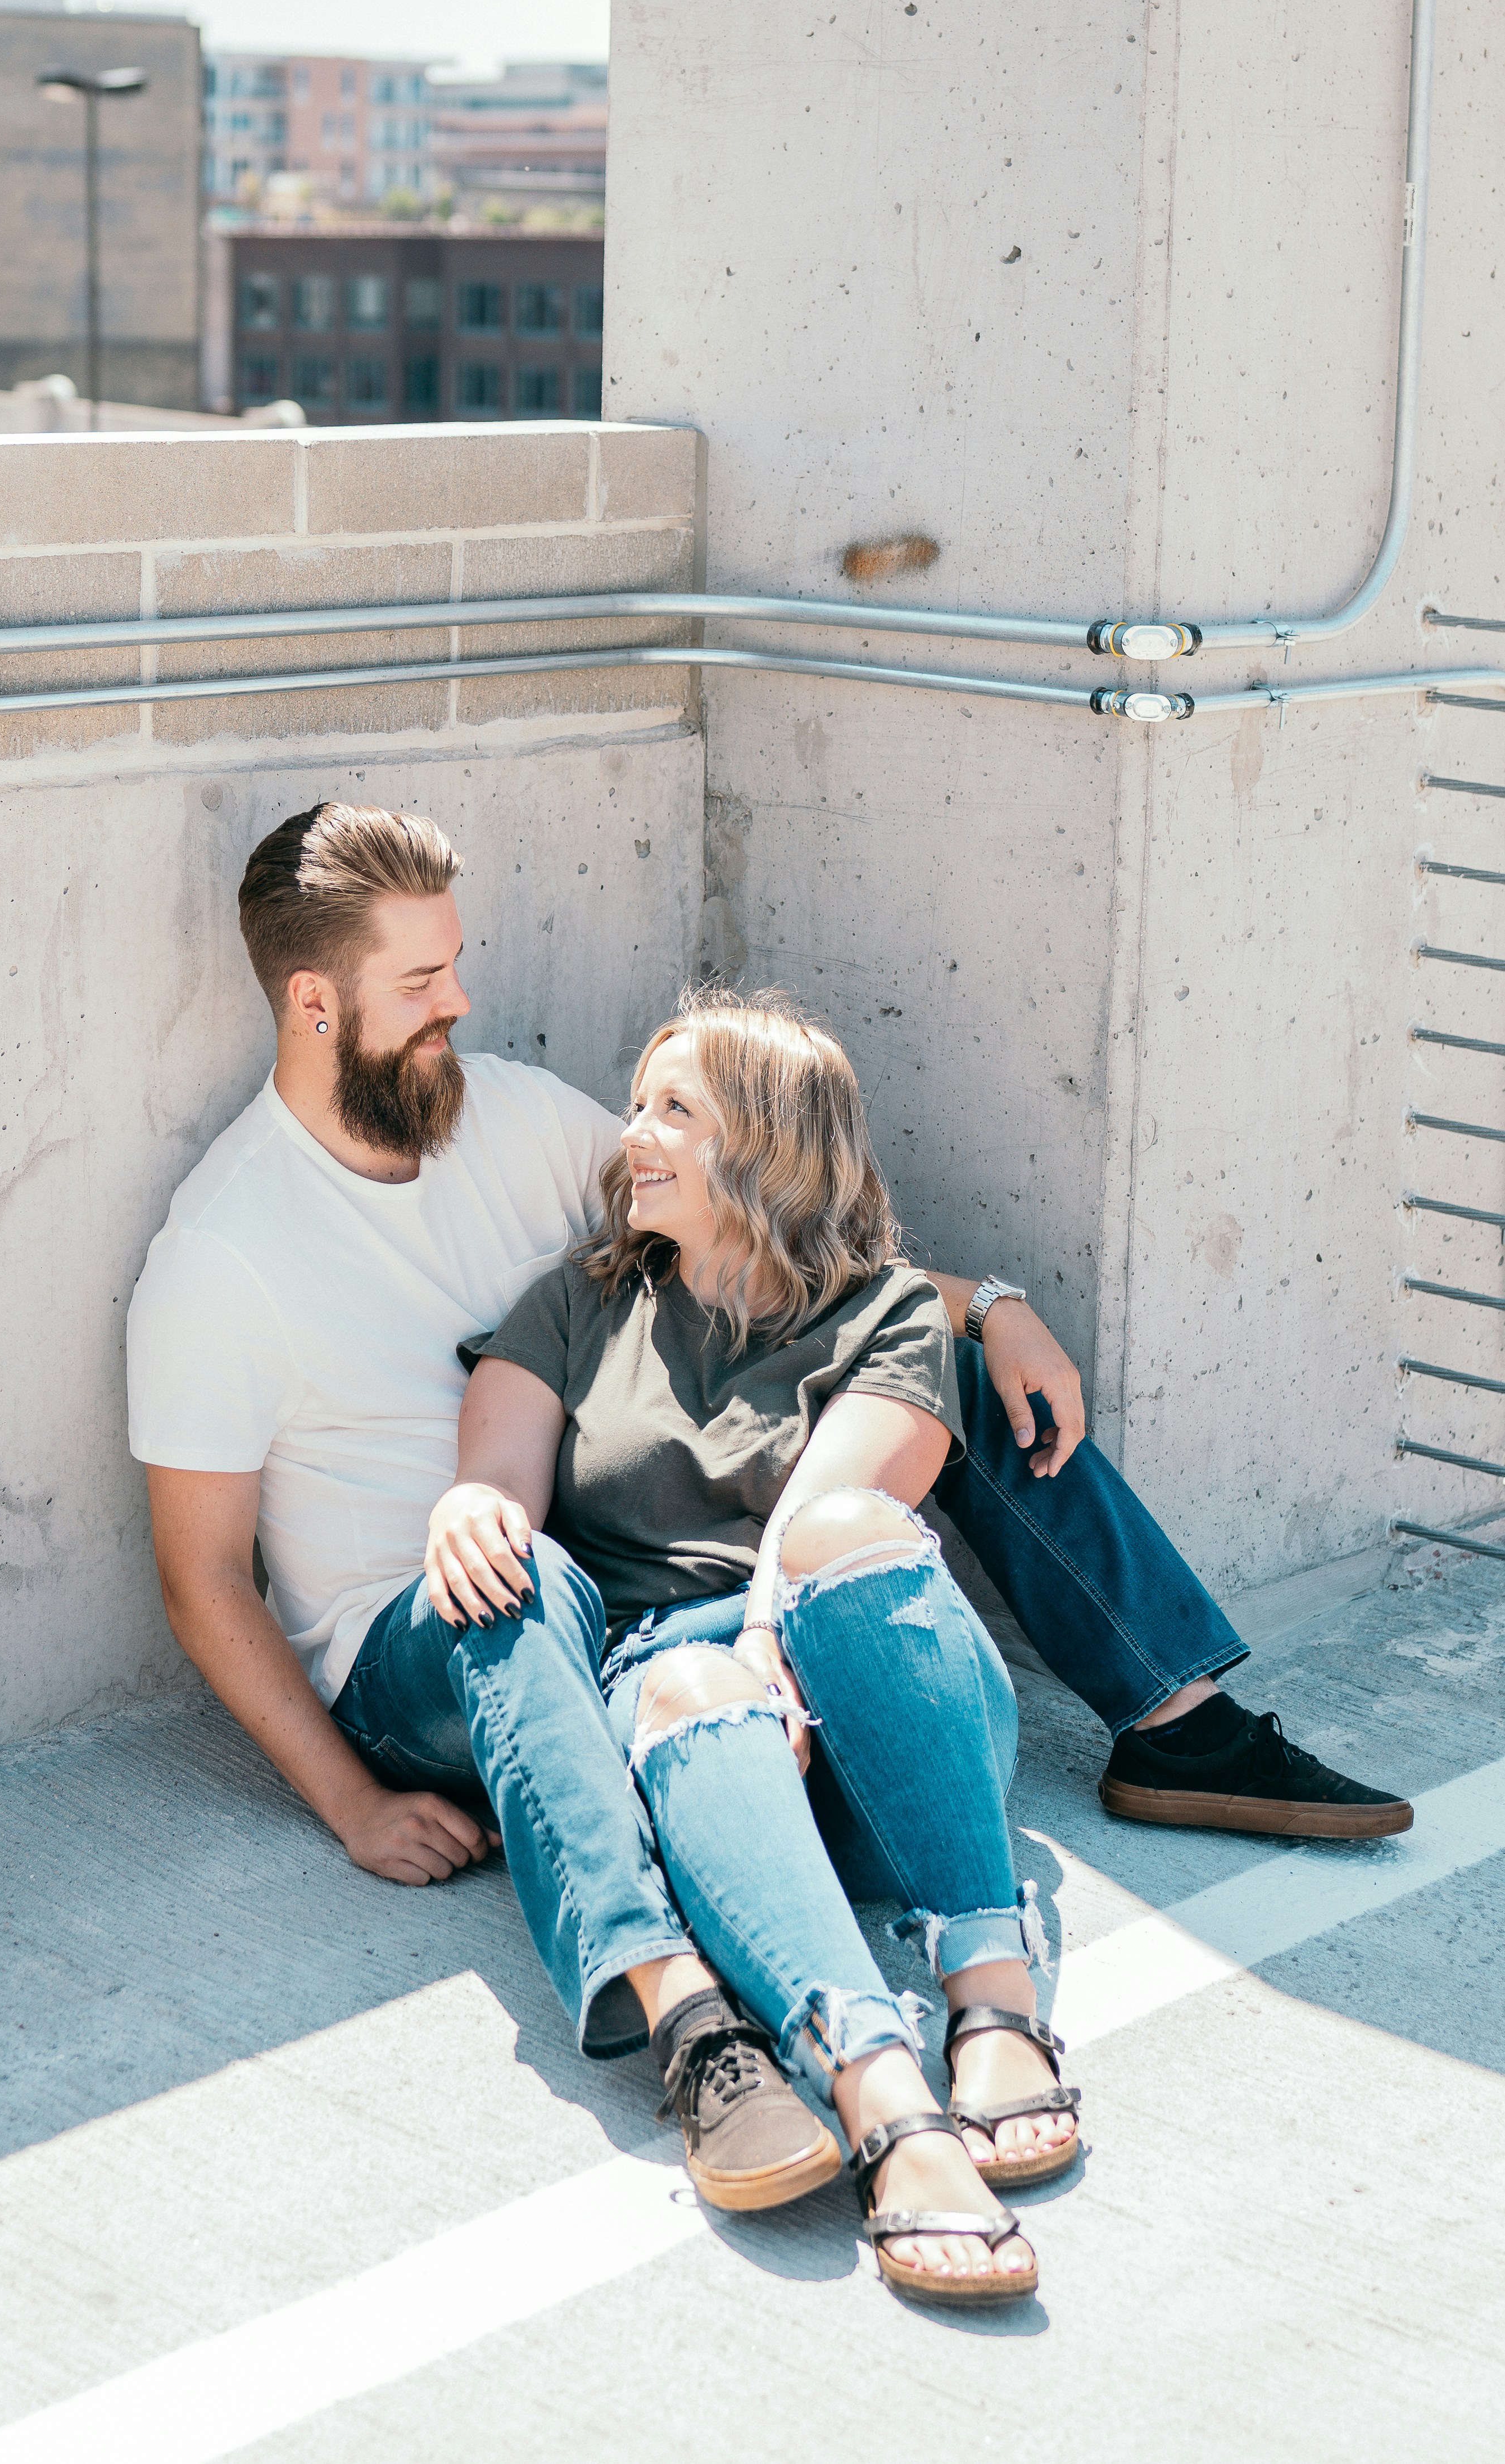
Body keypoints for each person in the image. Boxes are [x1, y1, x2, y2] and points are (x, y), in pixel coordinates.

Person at [127, 815, 1408, 2217]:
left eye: (456, 965)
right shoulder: (225, 1249)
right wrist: (354, 1803)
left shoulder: (508, 1116)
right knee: (525, 1580)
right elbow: (203, 1581)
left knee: (937, 1369)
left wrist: (988, 1305)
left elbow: (772, 1240)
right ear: (316, 1002)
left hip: (609, 1585)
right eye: (422, 982)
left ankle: (1170, 1722)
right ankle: (693, 2017)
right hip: (428, 1632)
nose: (461, 1004)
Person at [433, 986, 1075, 2301]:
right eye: (635, 1105)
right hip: (696, 1735)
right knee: (686, 1673)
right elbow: (499, 1484)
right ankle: (887, 2098)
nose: (634, 1137)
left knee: (844, 1532)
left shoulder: (890, 1310)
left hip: (877, 1711)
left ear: (772, 1145)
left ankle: (993, 1997)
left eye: (674, 1108)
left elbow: (817, 1526)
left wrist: (771, 1661)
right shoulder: (576, 1304)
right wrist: (463, 1510)